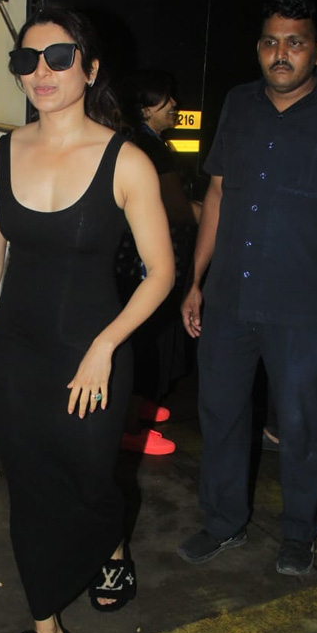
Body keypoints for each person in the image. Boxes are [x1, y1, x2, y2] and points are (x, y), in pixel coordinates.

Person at [0, 7, 173, 633]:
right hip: (15, 354)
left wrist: (106, 345)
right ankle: (45, 624)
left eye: (58, 58)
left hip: (94, 353)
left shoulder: (126, 160)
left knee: (88, 479)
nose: (41, 73)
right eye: (27, 61)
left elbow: (161, 272)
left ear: (90, 68)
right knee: (30, 488)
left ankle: (111, 541)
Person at [177, 0, 317, 576]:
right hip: (230, 297)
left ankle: (299, 531)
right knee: (220, 414)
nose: (281, 53)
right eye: (270, 42)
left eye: (295, 42)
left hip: (303, 304)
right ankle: (223, 522)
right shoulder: (239, 104)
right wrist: (196, 280)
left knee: (302, 423)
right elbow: (217, 193)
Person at [115, 69, 201, 456]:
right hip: (146, 265)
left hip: (137, 262)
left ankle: (139, 408)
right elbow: (176, 210)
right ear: (147, 108)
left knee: (147, 339)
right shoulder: (149, 149)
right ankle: (130, 426)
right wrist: (213, 212)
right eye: (167, 99)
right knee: (145, 341)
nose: (175, 105)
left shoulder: (142, 142)